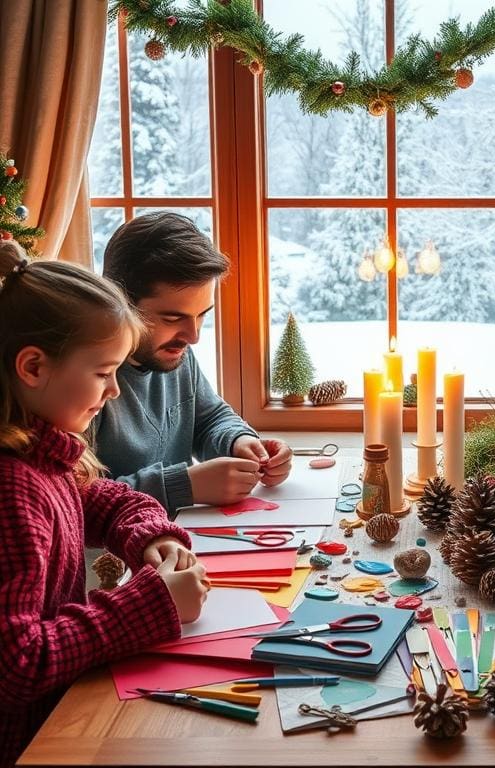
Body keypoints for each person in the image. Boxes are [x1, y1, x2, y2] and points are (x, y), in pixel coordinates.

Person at [0, 242, 208, 768]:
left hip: (57, 719)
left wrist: (153, 535)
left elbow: (108, 502)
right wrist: (150, 604)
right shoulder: (11, 486)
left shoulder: (44, 455)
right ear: (32, 367)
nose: (115, 390)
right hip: (28, 745)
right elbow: (18, 663)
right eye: (102, 372)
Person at [91, 212, 292, 515]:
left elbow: (209, 418)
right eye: (172, 318)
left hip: (178, 543)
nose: (193, 336)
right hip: (114, 560)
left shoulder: (172, 349)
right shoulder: (85, 377)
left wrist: (240, 441)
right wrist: (184, 486)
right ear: (119, 301)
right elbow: (72, 499)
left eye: (202, 315)